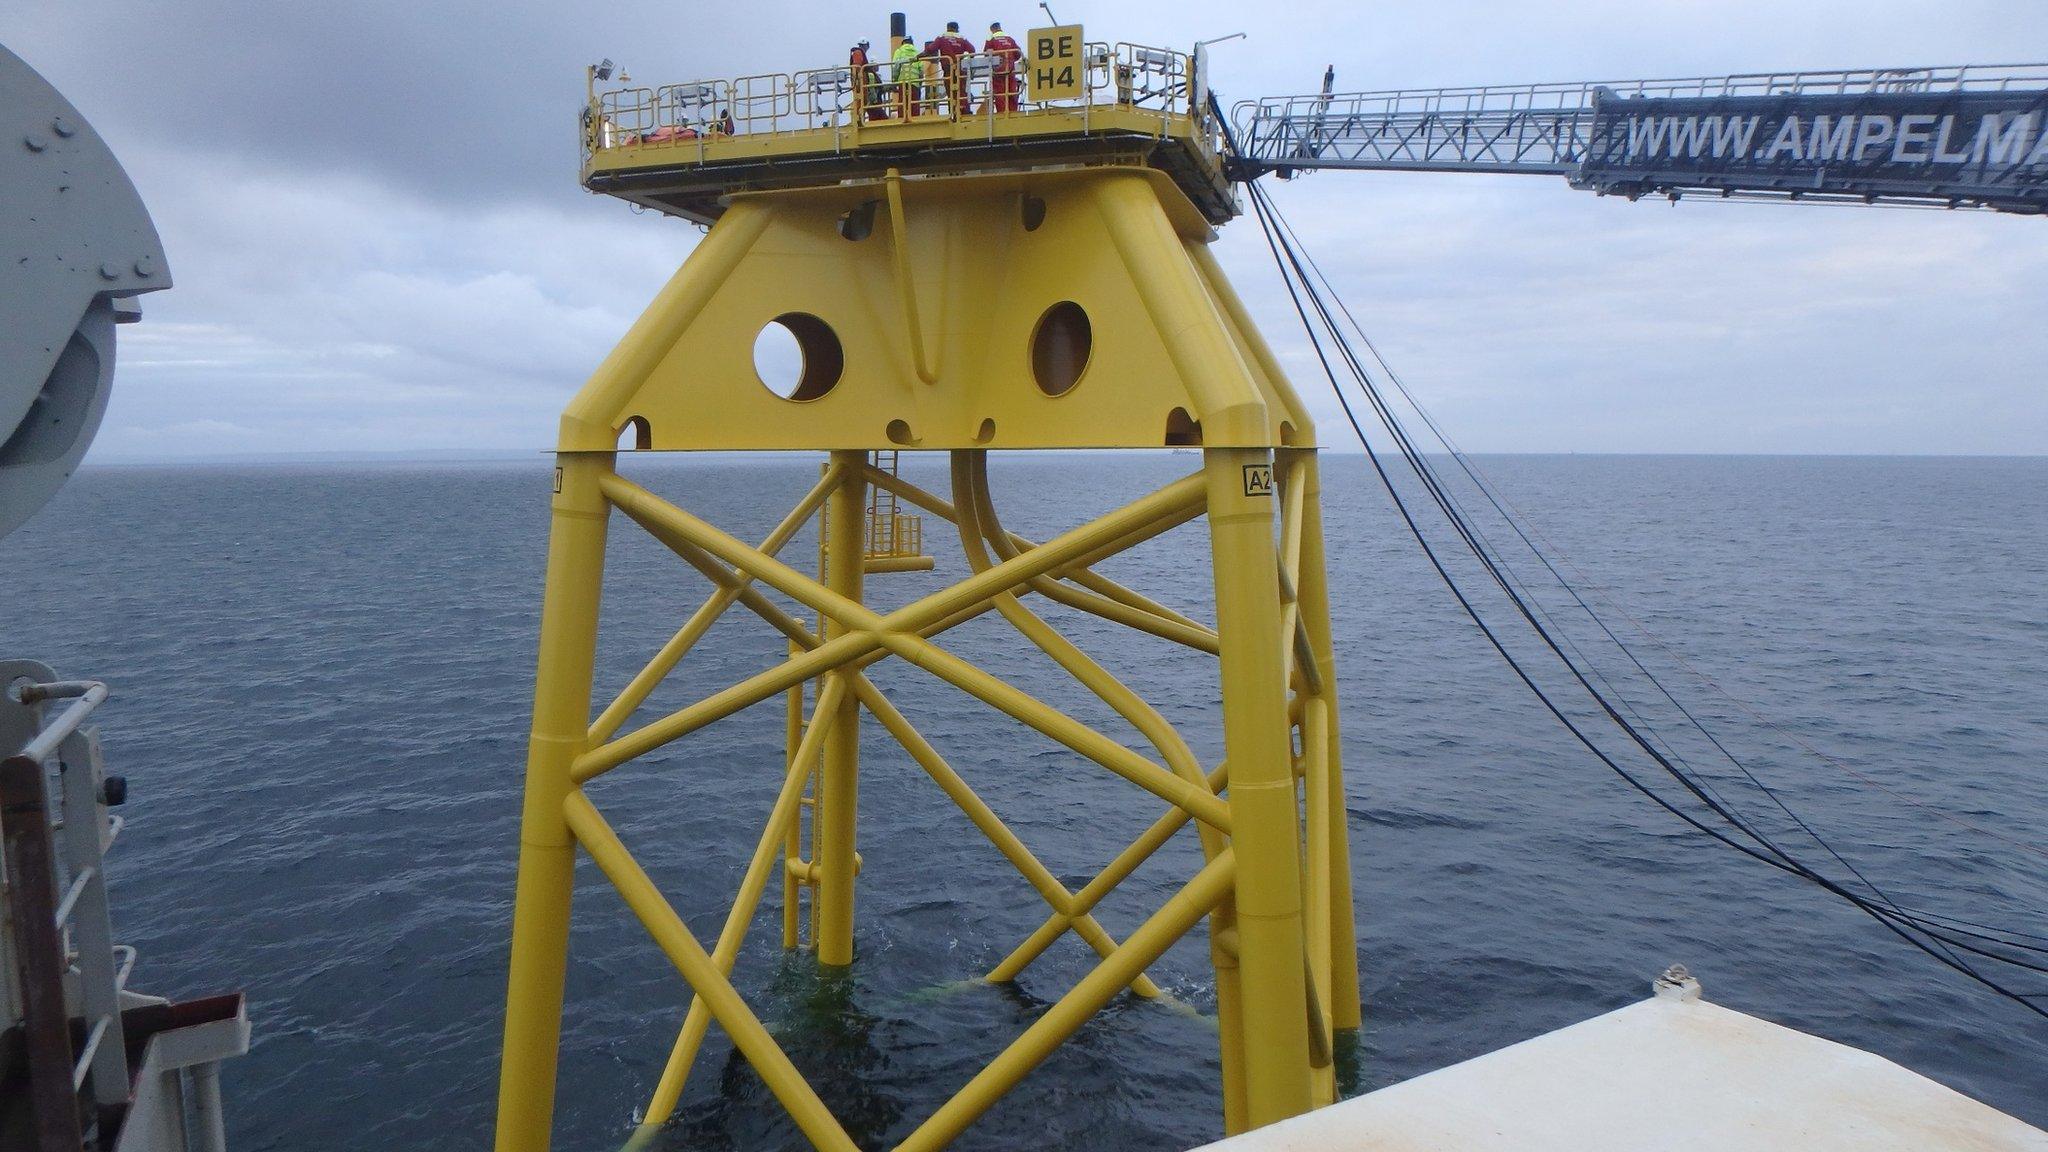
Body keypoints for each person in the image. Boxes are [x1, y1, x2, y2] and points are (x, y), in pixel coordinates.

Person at [931, 21, 976, 116]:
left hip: (948, 69)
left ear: (948, 28)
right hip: (960, 68)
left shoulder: (941, 38)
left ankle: (953, 112)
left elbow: (930, 49)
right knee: (962, 90)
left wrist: (919, 56)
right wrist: (964, 59)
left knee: (950, 92)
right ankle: (964, 110)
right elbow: (972, 50)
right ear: (956, 29)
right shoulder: (961, 38)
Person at [984, 21, 1022, 113]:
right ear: (1000, 27)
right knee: (1012, 91)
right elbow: (1018, 53)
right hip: (1010, 71)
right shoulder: (1010, 39)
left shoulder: (991, 40)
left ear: (992, 29)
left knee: (1000, 93)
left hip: (998, 72)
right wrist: (1011, 61)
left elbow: (986, 55)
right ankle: (1013, 112)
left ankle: (1002, 113)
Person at [850, 39, 887, 121]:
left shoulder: (869, 73)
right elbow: (872, 88)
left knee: (876, 117)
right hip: (873, 102)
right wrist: (873, 101)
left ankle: (859, 119)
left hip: (869, 101)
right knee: (881, 118)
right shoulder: (870, 74)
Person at [893, 32, 926, 118]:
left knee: (902, 101)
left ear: (903, 42)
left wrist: (894, 80)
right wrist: (920, 83)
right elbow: (921, 70)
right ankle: (915, 118)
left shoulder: (899, 51)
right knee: (914, 102)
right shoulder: (917, 52)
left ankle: (902, 118)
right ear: (912, 42)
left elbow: (895, 67)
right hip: (914, 82)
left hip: (902, 81)